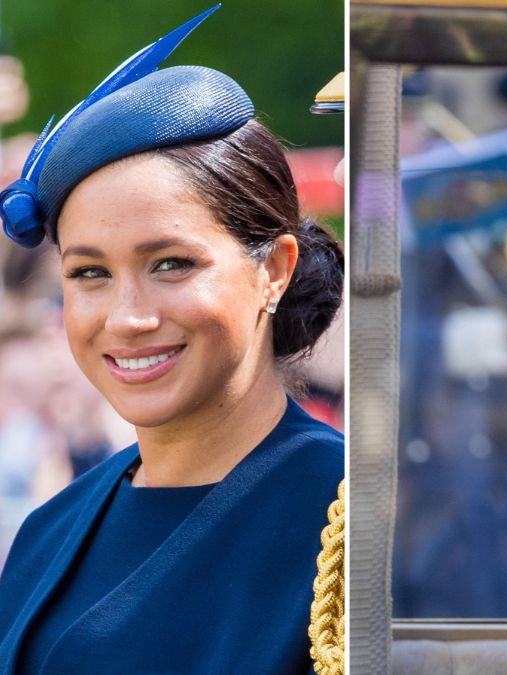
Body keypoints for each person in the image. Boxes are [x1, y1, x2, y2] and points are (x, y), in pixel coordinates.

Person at [0, 8, 344, 672]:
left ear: (274, 267)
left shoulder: (346, 519)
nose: (127, 316)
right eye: (90, 273)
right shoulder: (49, 530)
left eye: (171, 264)